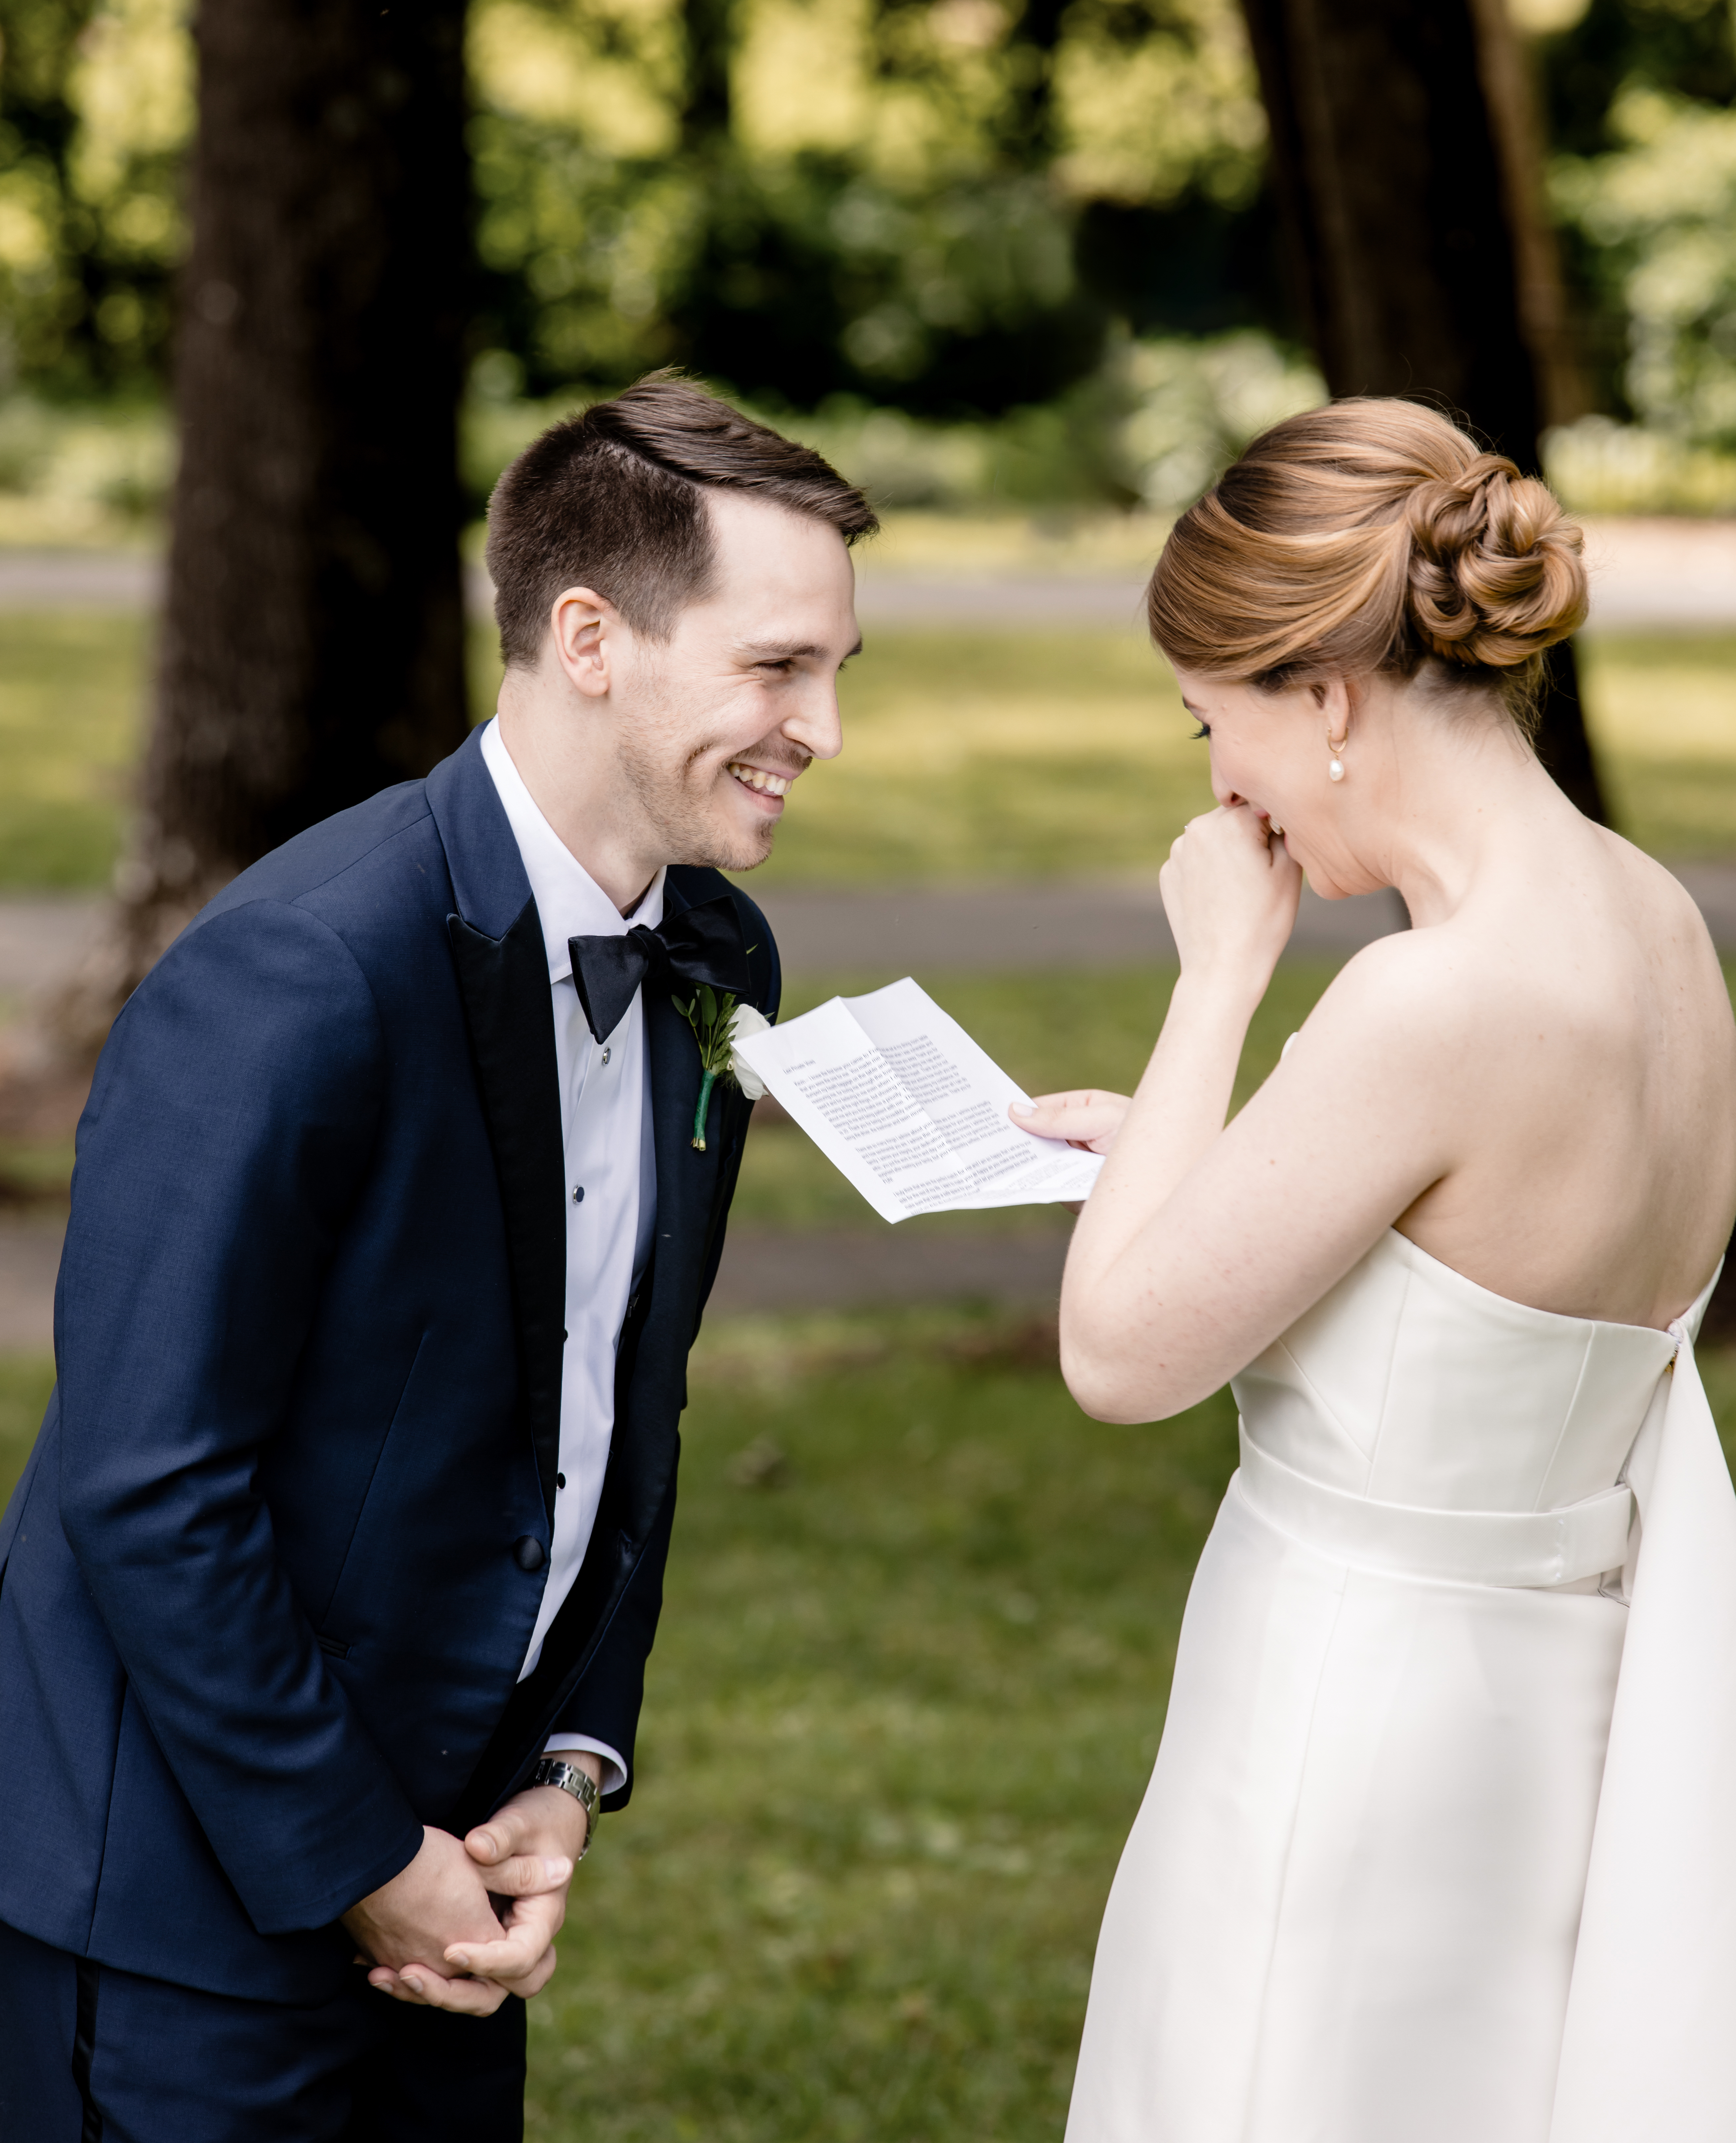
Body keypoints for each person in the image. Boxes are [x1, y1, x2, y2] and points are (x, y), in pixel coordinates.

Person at [0, 377, 873, 2139]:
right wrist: (357, 1851)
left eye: (839, 668)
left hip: (462, 1872)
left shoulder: (715, 950)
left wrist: (564, 1766)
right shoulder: (301, 973)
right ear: (588, 636)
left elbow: (623, 1402)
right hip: (178, 1904)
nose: (824, 727)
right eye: (779, 665)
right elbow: (148, 1481)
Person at [1019, 398, 1736, 2142]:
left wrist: (1216, 978)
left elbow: (1118, 1352)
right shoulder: (1653, 922)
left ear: (1324, 699)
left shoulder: (1424, 999)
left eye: (1218, 723)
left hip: (1347, 1725)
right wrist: (1191, 1148)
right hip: (1545, 1715)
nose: (1219, 783)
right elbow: (1457, 1249)